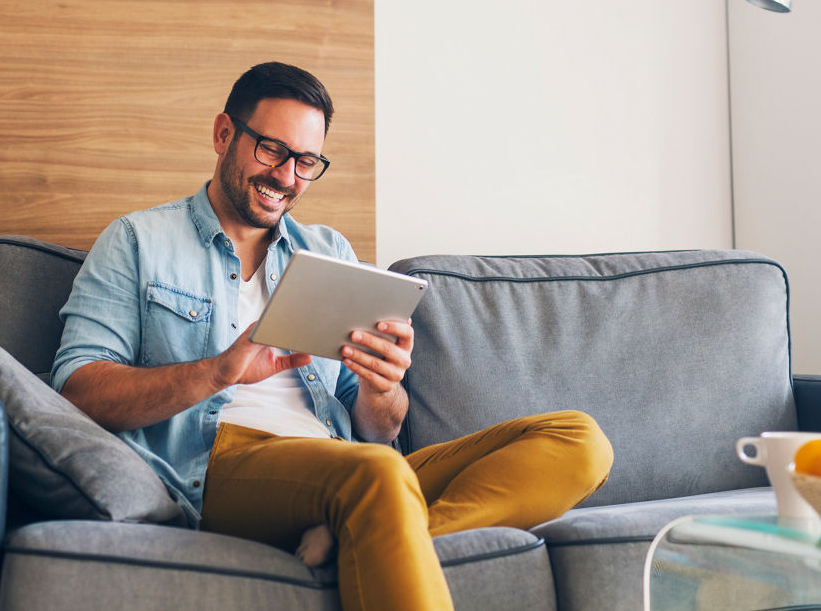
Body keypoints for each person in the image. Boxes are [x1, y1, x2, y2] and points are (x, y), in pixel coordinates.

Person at [52, 61, 613, 611]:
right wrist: (218, 371)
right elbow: (79, 392)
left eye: (307, 161)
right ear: (224, 134)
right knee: (377, 475)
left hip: (345, 462)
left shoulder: (327, 253)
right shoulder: (138, 241)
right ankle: (368, 517)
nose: (287, 177)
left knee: (578, 440)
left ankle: (359, 530)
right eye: (272, 150)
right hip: (221, 466)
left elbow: (377, 430)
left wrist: (381, 389)